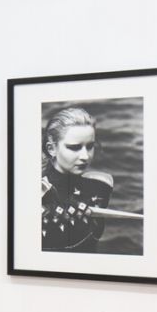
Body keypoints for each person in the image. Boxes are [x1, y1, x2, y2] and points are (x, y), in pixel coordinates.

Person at [40, 106, 113, 252]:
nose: (85, 156)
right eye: (74, 147)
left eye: (90, 146)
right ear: (51, 149)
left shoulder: (102, 186)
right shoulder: (36, 194)